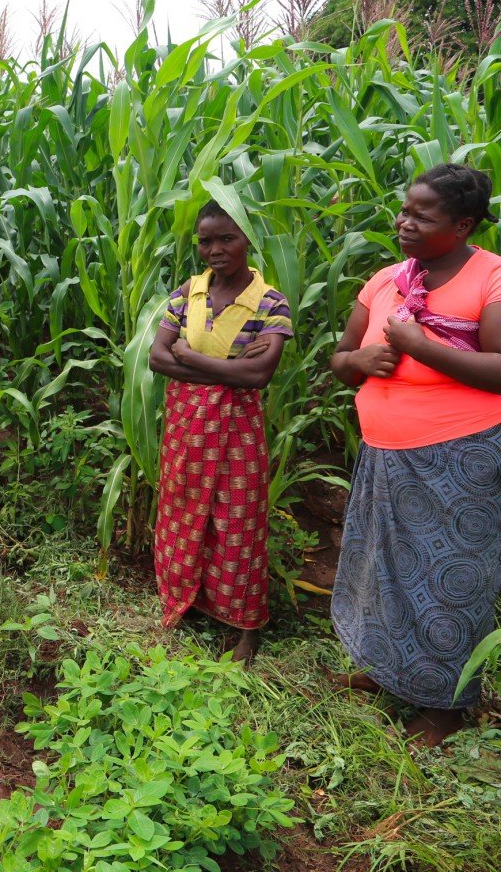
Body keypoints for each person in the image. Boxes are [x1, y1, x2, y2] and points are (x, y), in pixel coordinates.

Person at [330, 163, 501, 747]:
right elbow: (341, 357)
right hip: (385, 452)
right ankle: (386, 670)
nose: (404, 222)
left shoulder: (490, 277)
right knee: (384, 570)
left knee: (450, 580)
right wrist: (358, 362)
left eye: (421, 216)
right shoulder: (386, 280)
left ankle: (445, 705)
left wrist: (419, 347)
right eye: (404, 210)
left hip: (460, 457)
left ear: (463, 225)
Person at [148, 201, 293, 662]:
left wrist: (190, 356)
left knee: (238, 521)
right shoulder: (187, 293)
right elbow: (156, 358)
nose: (215, 249)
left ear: (247, 238)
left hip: (238, 430)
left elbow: (259, 376)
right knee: (183, 511)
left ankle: (245, 625)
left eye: (227, 238)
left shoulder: (270, 302)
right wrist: (228, 370)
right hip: (186, 428)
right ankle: (187, 601)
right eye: (206, 241)